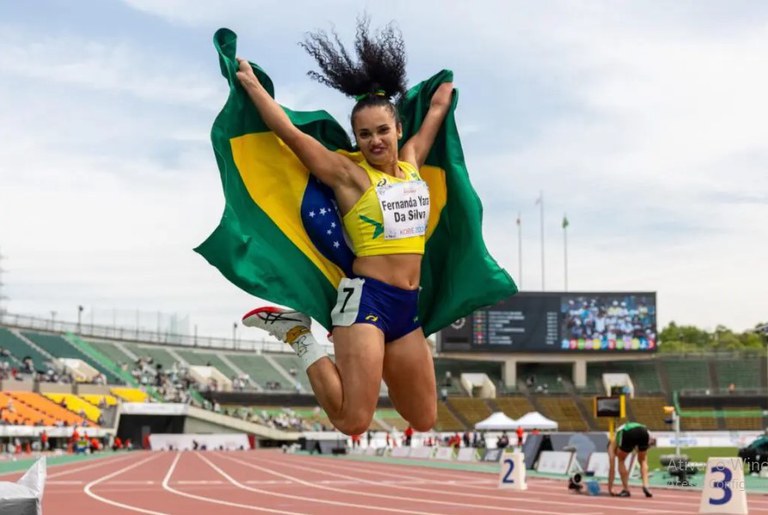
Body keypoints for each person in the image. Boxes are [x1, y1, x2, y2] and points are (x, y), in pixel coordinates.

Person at [238, 19, 452, 436]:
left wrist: (446, 93)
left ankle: (369, 364)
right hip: (366, 302)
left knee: (424, 419)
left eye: (383, 131)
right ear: (356, 137)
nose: (375, 140)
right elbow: (288, 133)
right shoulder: (349, 177)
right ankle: (298, 335)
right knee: (353, 421)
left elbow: (437, 114)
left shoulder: (411, 165)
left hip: (407, 308)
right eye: (365, 134)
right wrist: (252, 87)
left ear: (398, 130)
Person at [608, 421, 654, 498]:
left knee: (621, 460)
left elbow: (612, 469)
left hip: (628, 432)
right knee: (643, 460)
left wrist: (610, 488)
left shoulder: (611, 445)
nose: (616, 454)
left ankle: (626, 489)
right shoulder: (618, 435)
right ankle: (646, 486)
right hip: (644, 431)